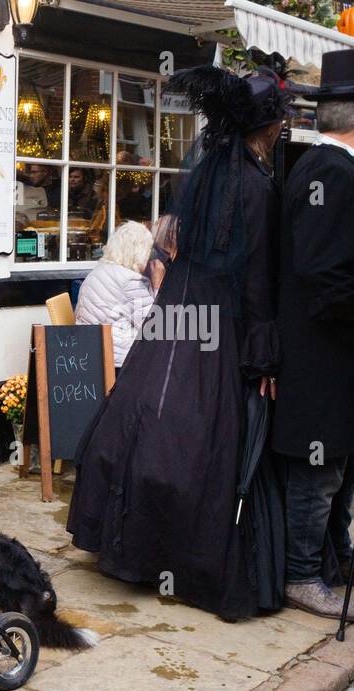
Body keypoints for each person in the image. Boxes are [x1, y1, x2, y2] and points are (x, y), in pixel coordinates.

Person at [67, 66, 291, 622]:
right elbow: (258, 277)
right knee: (203, 434)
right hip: (221, 321)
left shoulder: (205, 178)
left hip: (179, 314)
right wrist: (264, 353)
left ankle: (136, 552)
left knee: (158, 414)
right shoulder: (258, 187)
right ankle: (180, 559)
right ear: (266, 126)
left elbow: (174, 249)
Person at [272, 49, 354, 620]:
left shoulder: (337, 170)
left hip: (342, 358)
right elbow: (322, 271)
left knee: (347, 460)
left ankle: (334, 557)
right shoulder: (329, 172)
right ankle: (302, 574)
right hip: (322, 359)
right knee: (322, 468)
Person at [74, 221, 155, 370]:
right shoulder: (130, 281)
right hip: (116, 363)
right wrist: (157, 283)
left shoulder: (99, 271)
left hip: (87, 355)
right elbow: (155, 328)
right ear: (140, 252)